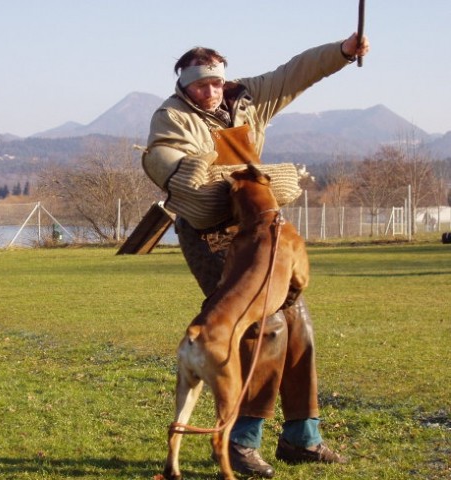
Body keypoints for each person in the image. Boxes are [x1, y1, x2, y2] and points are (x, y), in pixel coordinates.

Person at [143, 33, 370, 478]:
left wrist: (341, 52)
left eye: (215, 82)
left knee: (297, 320)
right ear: (184, 85)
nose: (210, 91)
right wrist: (189, 166)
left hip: (256, 225)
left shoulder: (248, 97)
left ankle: (302, 436)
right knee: (262, 324)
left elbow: (296, 72)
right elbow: (163, 160)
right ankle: (241, 440)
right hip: (211, 234)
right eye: (200, 85)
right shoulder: (171, 116)